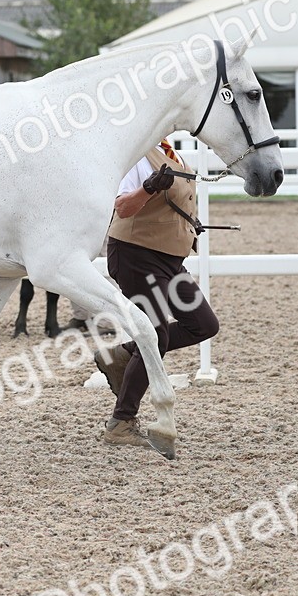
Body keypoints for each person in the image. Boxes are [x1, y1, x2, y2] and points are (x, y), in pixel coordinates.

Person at [95, 138, 220, 450]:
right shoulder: (136, 152)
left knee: (203, 324)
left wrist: (189, 220)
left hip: (168, 258)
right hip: (136, 255)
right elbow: (122, 206)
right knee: (157, 336)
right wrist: (149, 188)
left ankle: (122, 354)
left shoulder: (169, 150)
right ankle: (121, 422)